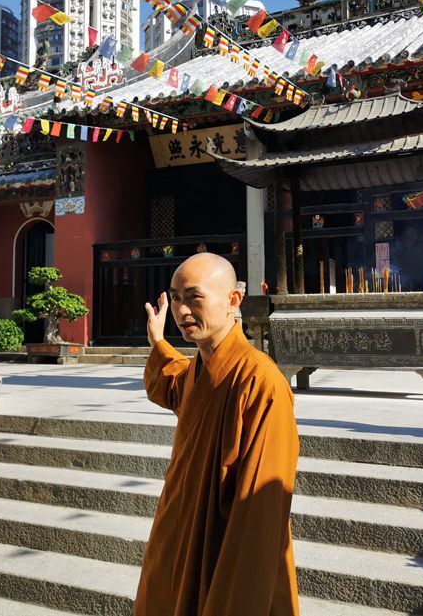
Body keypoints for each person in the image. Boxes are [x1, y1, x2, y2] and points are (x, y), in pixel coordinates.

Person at [134, 252, 300, 616]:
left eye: (194, 297)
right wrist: (159, 342)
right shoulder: (200, 369)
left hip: (221, 549)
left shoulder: (260, 383)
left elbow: (260, 511)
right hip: (180, 537)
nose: (181, 310)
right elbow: (173, 385)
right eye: (175, 298)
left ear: (233, 301)